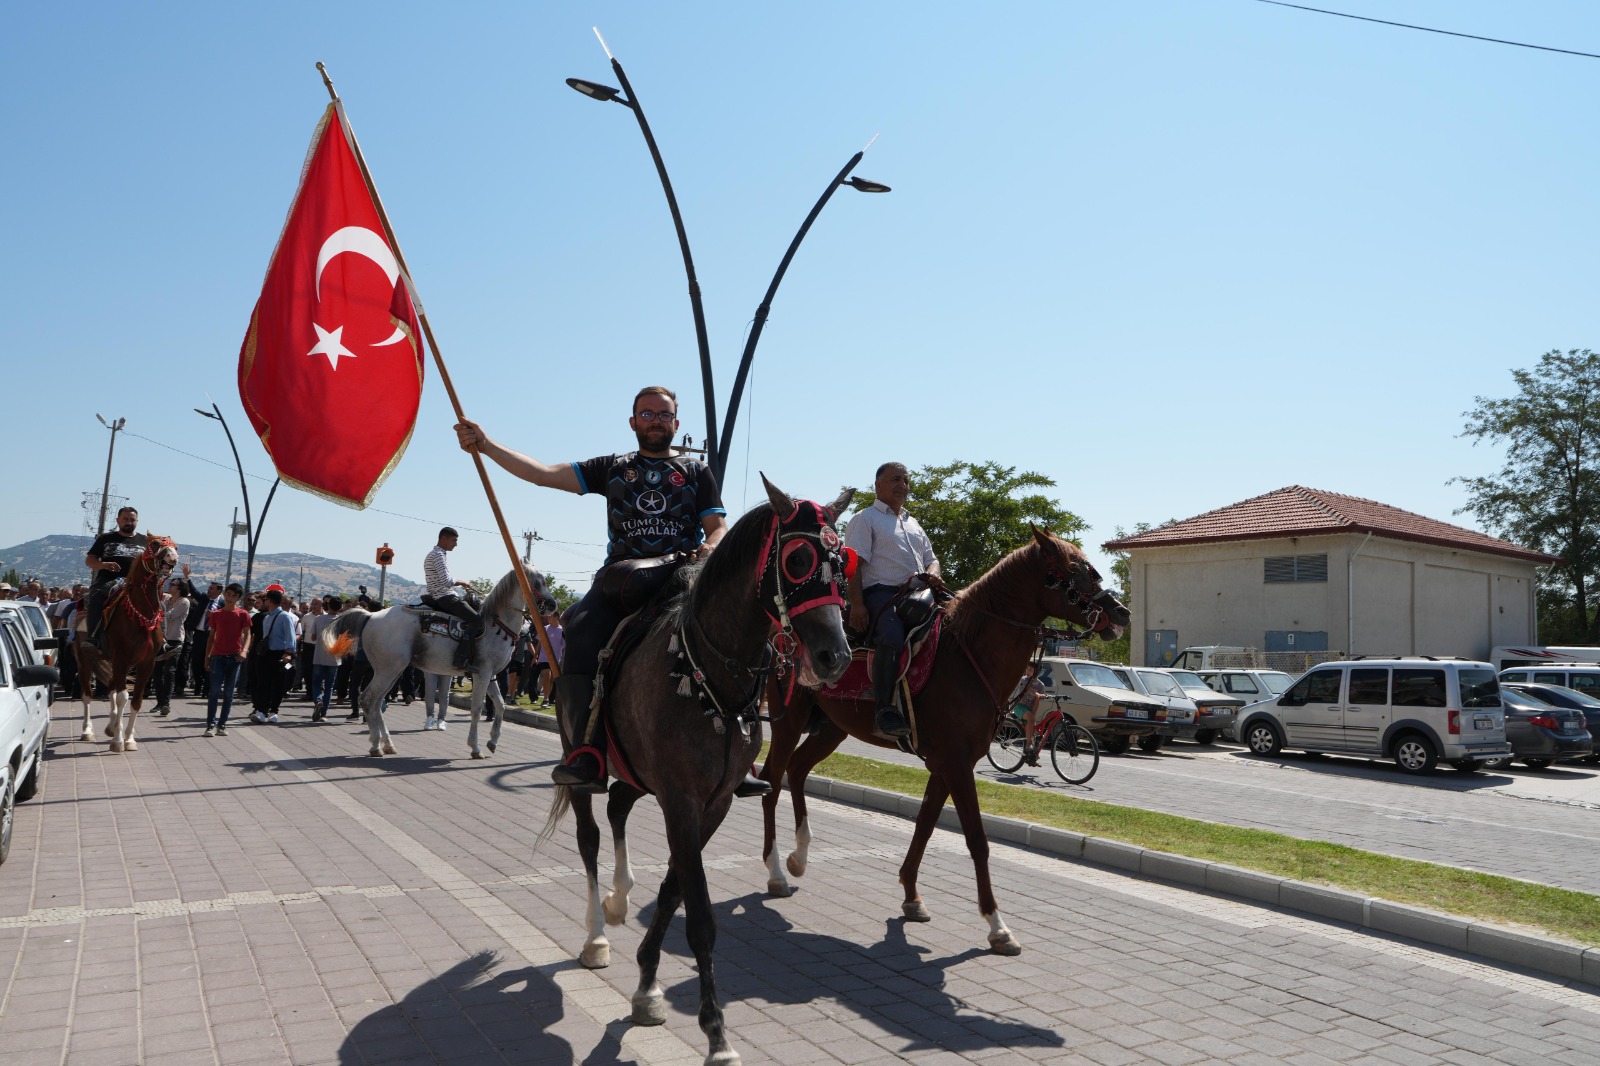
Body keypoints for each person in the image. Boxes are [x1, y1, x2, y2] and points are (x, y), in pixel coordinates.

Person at [455, 385, 750, 795]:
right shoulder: (612, 466)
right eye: (647, 414)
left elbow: (717, 526)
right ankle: (584, 753)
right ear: (633, 422)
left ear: (676, 424)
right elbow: (542, 474)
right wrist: (486, 446)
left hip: (684, 578)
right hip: (621, 581)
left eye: (664, 415)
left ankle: (741, 752)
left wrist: (712, 547)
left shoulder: (697, 472)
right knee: (580, 635)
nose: (655, 421)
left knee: (741, 634)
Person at [843, 462, 941, 738]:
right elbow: (854, 566)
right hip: (880, 594)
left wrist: (933, 574)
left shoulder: (914, 523)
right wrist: (858, 604)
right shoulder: (865, 519)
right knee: (891, 635)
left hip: (920, 594)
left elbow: (933, 560)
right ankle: (884, 710)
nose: (903, 485)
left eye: (906, 481)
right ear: (878, 485)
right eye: (895, 479)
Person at [83, 505, 148, 644]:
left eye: (132, 519)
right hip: (108, 580)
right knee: (96, 597)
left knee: (157, 604)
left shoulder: (145, 541)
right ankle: (93, 637)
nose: (129, 522)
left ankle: (161, 642)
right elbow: (90, 560)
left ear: (137, 521)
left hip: (136, 583)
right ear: (118, 520)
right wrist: (103, 565)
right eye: (125, 519)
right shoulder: (105, 538)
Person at [422, 527, 480, 669]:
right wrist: (463, 582)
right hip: (445, 596)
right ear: (444, 539)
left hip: (440, 595)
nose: (456, 544)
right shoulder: (437, 555)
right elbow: (446, 581)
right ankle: (461, 658)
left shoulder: (437, 554)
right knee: (477, 620)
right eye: (454, 540)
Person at [203, 583, 251, 736]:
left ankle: (222, 725)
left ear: (238, 598)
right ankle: (210, 724)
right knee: (214, 692)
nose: (230, 598)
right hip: (217, 656)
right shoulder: (216, 614)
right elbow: (211, 637)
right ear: (224, 594)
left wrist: (244, 650)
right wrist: (207, 657)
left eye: (234, 596)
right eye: (228, 594)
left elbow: (248, 634)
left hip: (235, 657)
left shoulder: (243, 614)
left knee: (229, 694)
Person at [254, 589, 297, 723]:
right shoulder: (266, 617)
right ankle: (261, 710)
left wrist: (289, 653)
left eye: (266, 599)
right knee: (263, 683)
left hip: (281, 655)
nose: (264, 601)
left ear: (270, 601)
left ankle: (274, 711)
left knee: (278, 684)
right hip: (266, 654)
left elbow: (290, 636)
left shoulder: (284, 616)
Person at [153, 577, 191, 716]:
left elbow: (170, 615)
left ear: (180, 588)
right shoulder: (166, 599)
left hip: (174, 640)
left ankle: (166, 703)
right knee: (157, 673)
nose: (170, 586)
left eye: (173, 584)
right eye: (170, 583)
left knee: (169, 671)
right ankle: (159, 702)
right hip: (161, 639)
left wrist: (157, 614)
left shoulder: (184, 602)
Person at [1011, 665, 1050, 766]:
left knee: (1034, 729)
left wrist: (1033, 715)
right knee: (1031, 722)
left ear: (1037, 671)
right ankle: (1028, 746)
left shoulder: (1041, 685)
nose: (1027, 671)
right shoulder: (1024, 680)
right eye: (1027, 668)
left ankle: (1031, 757)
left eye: (1030, 669)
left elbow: (1037, 702)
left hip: (1029, 710)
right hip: (1019, 707)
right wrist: (1037, 695)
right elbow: (1027, 690)